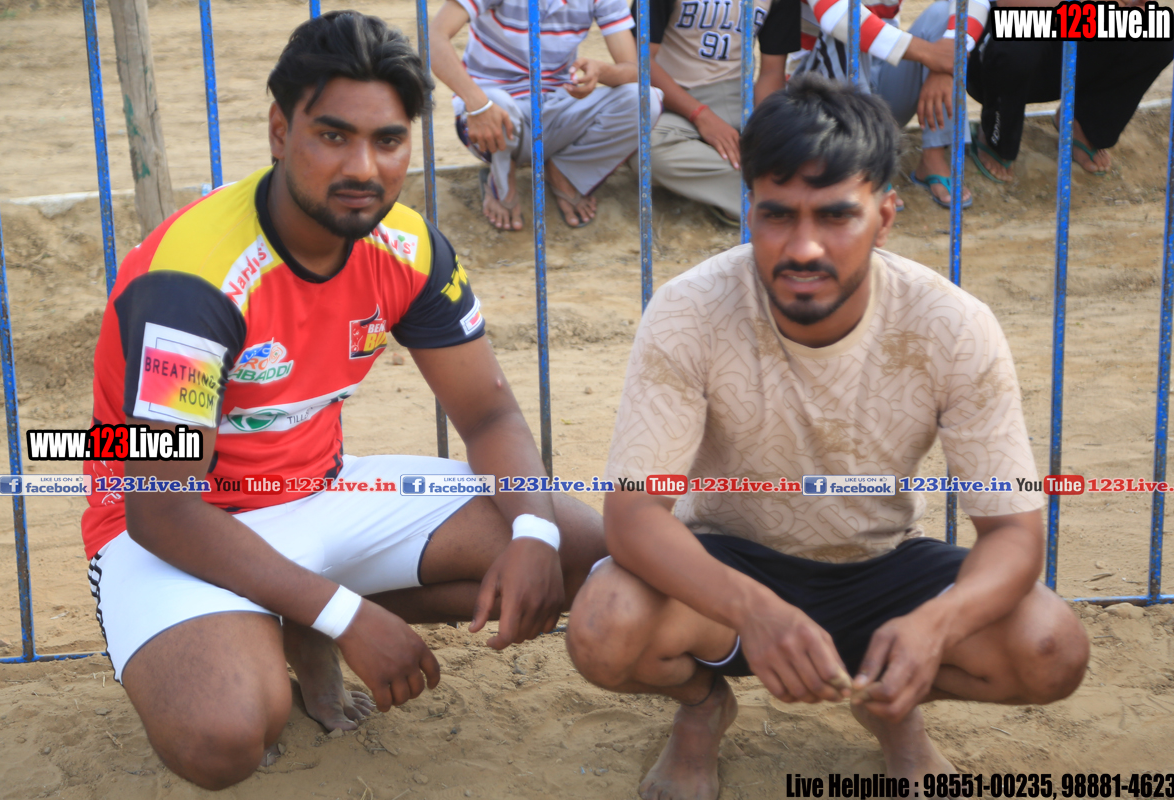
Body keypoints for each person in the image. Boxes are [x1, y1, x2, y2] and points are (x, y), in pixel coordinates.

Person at [81, 12, 605, 791]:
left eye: (388, 140)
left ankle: (295, 612)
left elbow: (489, 415)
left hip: (320, 490)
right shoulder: (196, 280)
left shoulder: (410, 248)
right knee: (223, 737)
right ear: (279, 131)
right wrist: (346, 615)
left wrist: (531, 530)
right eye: (332, 136)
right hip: (175, 526)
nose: (363, 166)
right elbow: (163, 509)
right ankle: (297, 618)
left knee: (575, 549)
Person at [566, 74, 1090, 800]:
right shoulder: (689, 310)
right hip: (726, 561)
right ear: (750, 210)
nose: (803, 245)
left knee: (1050, 645)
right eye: (777, 214)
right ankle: (702, 706)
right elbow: (632, 517)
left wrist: (935, 625)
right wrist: (755, 609)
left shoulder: (951, 324)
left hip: (882, 564)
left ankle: (892, 702)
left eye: (837, 215)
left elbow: (1014, 534)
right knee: (603, 627)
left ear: (886, 217)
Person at [429, 0, 661, 230]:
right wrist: (477, 103)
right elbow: (434, 36)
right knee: (496, 103)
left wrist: (602, 71)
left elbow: (634, 70)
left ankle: (563, 171)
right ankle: (503, 177)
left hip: (556, 103)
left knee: (645, 100)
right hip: (491, 106)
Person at [769, 0, 988, 208]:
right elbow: (836, 15)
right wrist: (930, 54)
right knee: (848, 27)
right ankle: (865, 165)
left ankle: (933, 157)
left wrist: (946, 64)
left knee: (943, 14)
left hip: (882, 82)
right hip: (818, 99)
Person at [966, 0, 1173, 182]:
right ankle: (996, 135)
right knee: (1017, 36)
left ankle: (1084, 123)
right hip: (995, 41)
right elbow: (1012, 6)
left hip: (1064, 34)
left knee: (1158, 28)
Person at [644, 0, 805, 225]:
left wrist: (763, 131)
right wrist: (700, 115)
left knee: (800, 140)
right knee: (645, 148)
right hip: (673, 97)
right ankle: (768, 201)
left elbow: (771, 71)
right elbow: (642, 60)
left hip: (738, 95)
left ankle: (759, 199)